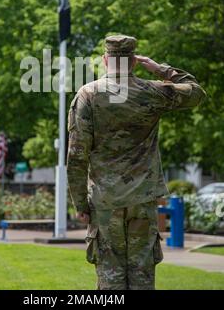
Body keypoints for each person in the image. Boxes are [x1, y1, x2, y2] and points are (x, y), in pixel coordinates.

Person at [66, 34, 206, 290]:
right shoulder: (151, 91)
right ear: (133, 62)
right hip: (143, 198)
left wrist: (80, 203)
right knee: (142, 276)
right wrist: (159, 68)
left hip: (105, 200)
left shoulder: (88, 94)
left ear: (105, 60)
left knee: (110, 278)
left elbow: (77, 154)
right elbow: (195, 92)